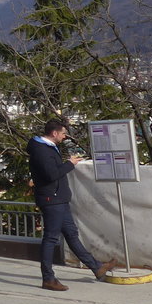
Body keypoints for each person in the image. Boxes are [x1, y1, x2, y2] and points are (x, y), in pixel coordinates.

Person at [28, 118, 117, 291]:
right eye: (63, 134)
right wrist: (70, 164)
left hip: (58, 199)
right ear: (54, 133)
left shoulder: (46, 148)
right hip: (51, 200)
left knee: (72, 235)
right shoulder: (42, 151)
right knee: (50, 238)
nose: (64, 137)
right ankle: (48, 278)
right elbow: (51, 175)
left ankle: (96, 267)